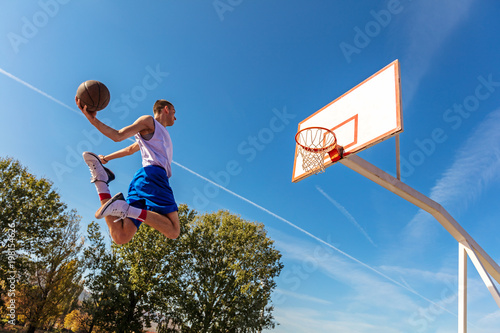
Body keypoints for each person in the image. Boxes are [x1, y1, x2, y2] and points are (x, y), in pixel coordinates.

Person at [76, 97, 180, 244]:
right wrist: (93, 121)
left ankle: (101, 181)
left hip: (143, 180)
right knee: (174, 231)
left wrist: (106, 158)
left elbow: (130, 149)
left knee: (121, 236)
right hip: (154, 176)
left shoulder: (157, 134)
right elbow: (118, 135)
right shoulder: (149, 122)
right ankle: (125, 208)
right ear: (166, 109)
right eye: (174, 112)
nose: (175, 117)